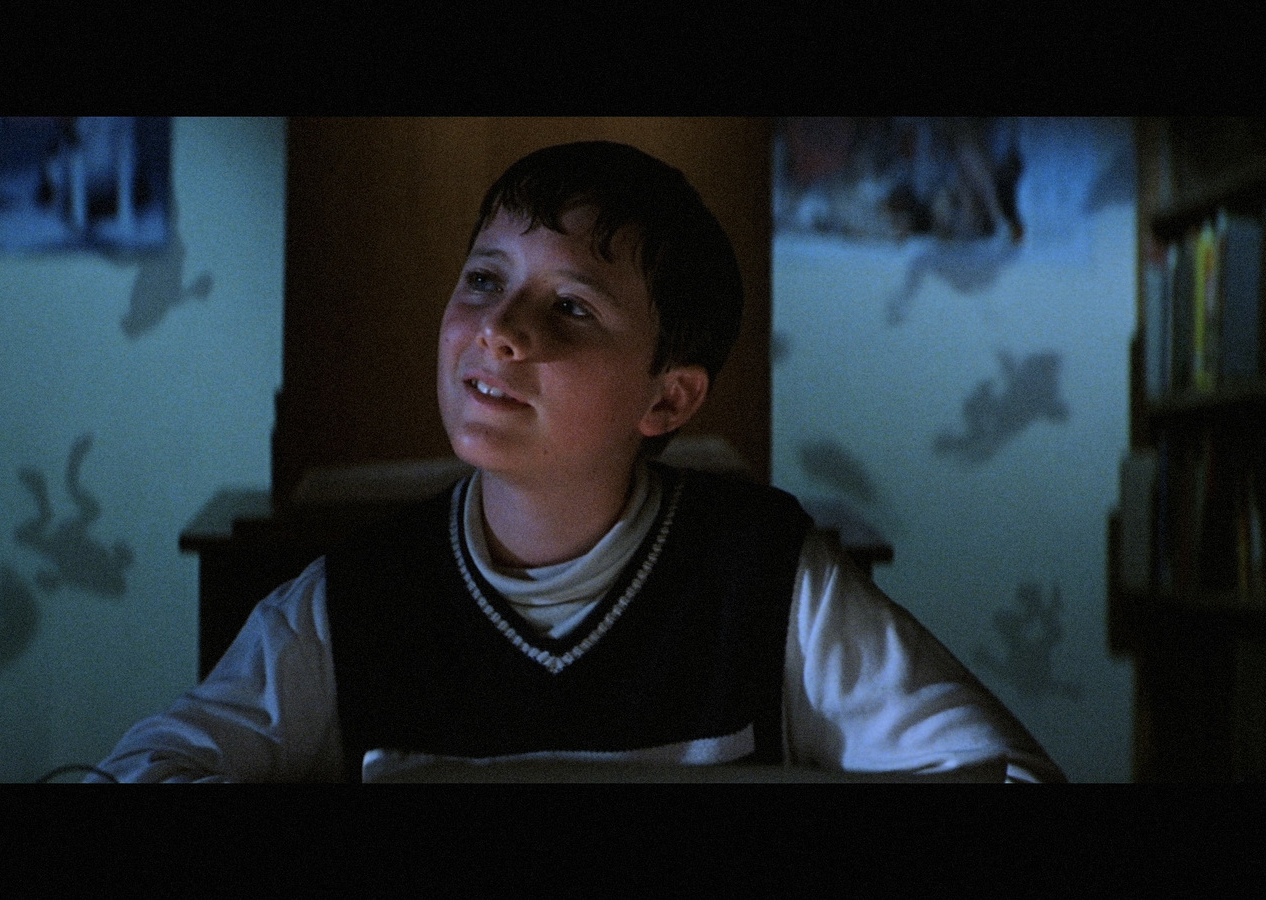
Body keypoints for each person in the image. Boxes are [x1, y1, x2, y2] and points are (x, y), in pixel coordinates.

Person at [91, 141, 1066, 783]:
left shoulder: (764, 579)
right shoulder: (355, 596)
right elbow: (146, 768)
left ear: (667, 397)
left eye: (571, 308)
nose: (498, 332)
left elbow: (1005, 774)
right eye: (483, 280)